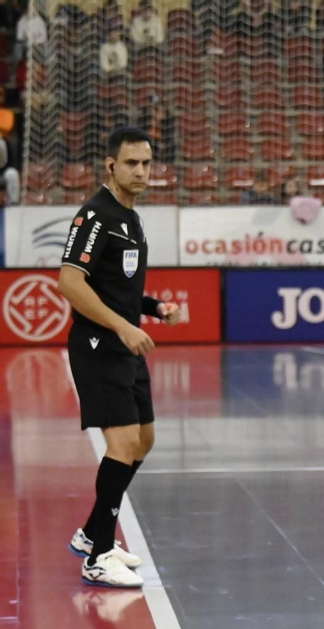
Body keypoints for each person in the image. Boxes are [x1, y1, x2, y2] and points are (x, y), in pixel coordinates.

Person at [59, 126, 185, 589]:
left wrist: (153, 308)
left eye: (147, 163)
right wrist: (123, 326)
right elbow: (70, 282)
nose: (141, 171)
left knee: (144, 440)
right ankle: (97, 556)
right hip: (99, 346)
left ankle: (93, 532)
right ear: (110, 165)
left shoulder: (130, 218)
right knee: (124, 443)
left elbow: (117, 287)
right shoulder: (95, 215)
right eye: (131, 163)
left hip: (124, 345)